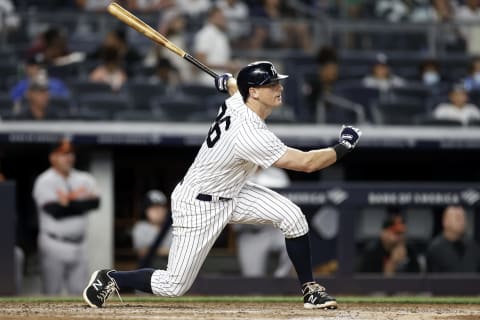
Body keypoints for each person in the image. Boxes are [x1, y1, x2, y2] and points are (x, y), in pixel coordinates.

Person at [83, 61, 362, 310]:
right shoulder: (250, 133)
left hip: (232, 191)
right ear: (253, 91)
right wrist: (344, 146)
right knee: (173, 285)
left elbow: (233, 87)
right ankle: (112, 277)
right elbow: (307, 163)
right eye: (271, 84)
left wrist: (227, 81)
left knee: (293, 217)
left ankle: (310, 290)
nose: (279, 88)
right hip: (199, 203)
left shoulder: (238, 101)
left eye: (278, 82)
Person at [33, 139, 101, 295]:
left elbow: (95, 203)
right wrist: (80, 202)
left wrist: (67, 202)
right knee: (51, 292)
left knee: (80, 293)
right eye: (63, 154)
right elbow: (54, 211)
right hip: (53, 243)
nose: (69, 157)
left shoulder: (84, 178)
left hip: (79, 244)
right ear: (53, 157)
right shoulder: (44, 181)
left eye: (70, 153)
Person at [235, 167, 293, 277]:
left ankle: (280, 281)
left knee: (297, 239)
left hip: (276, 229)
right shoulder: (234, 174)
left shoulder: (277, 174)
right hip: (251, 233)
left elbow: (287, 203)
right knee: (253, 281)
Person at [426, 205, 480, 272]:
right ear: (445, 221)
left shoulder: (474, 247)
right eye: (458, 218)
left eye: (464, 218)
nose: (462, 222)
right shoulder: (435, 249)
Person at [192, 6, 238, 85]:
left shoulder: (221, 35)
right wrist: (226, 66)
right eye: (219, 17)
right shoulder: (205, 34)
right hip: (208, 82)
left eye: (223, 17)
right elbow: (200, 62)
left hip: (221, 81)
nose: (223, 19)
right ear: (210, 18)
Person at [132, 190, 172, 259]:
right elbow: (142, 251)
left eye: (161, 207)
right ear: (146, 211)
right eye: (154, 207)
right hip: (150, 268)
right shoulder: (140, 227)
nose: (158, 211)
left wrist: (153, 250)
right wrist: (169, 251)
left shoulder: (174, 227)